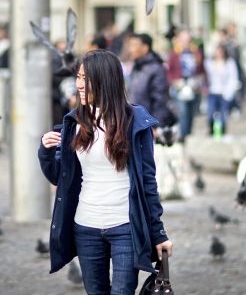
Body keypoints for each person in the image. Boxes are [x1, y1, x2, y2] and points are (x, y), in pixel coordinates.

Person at [38, 49, 173, 294]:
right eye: (77, 77)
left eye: (84, 78)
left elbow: (148, 182)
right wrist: (46, 152)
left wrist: (158, 233)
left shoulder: (134, 122)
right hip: (86, 226)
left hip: (125, 226)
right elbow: (60, 177)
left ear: (104, 80)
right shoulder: (74, 122)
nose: (78, 85)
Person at [126, 33, 175, 127]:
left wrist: (155, 124)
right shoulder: (136, 67)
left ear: (145, 47)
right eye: (130, 46)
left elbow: (160, 100)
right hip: (135, 122)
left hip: (148, 125)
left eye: (134, 45)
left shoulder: (156, 68)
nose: (130, 50)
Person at [166, 29, 204, 141]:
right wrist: (175, 82)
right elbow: (169, 71)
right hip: (179, 86)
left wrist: (199, 82)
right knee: (182, 112)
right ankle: (182, 136)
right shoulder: (174, 53)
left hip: (193, 86)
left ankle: (188, 134)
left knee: (191, 112)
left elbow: (201, 69)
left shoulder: (196, 52)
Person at [204, 44, 240, 135]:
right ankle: (211, 129)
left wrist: (230, 92)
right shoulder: (209, 62)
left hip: (224, 92)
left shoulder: (229, 63)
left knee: (223, 114)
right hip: (212, 91)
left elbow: (233, 78)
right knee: (210, 112)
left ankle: (222, 131)